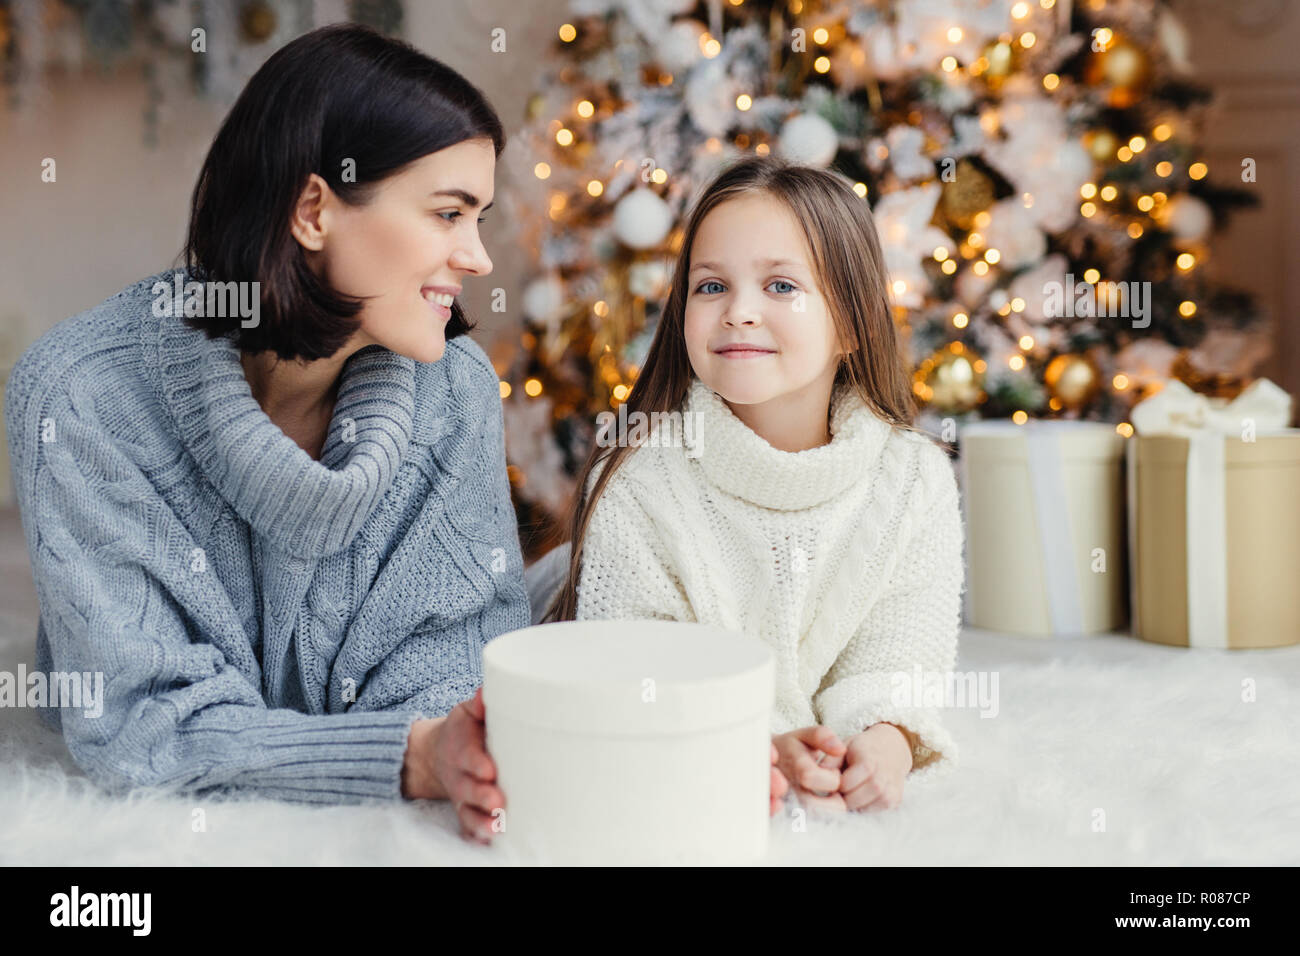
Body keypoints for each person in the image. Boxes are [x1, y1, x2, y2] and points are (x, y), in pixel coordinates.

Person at [4, 23, 524, 843]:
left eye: (479, 217)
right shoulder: (82, 397)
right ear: (314, 209)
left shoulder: (455, 391)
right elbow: (144, 725)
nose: (478, 257)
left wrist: (432, 745)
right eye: (449, 214)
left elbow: (459, 673)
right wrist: (407, 756)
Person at [545, 156, 967, 814]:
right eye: (711, 287)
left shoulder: (913, 478)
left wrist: (885, 739)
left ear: (851, 323)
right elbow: (642, 670)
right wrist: (760, 742)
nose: (739, 312)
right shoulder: (640, 481)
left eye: (779, 286)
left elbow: (900, 647)